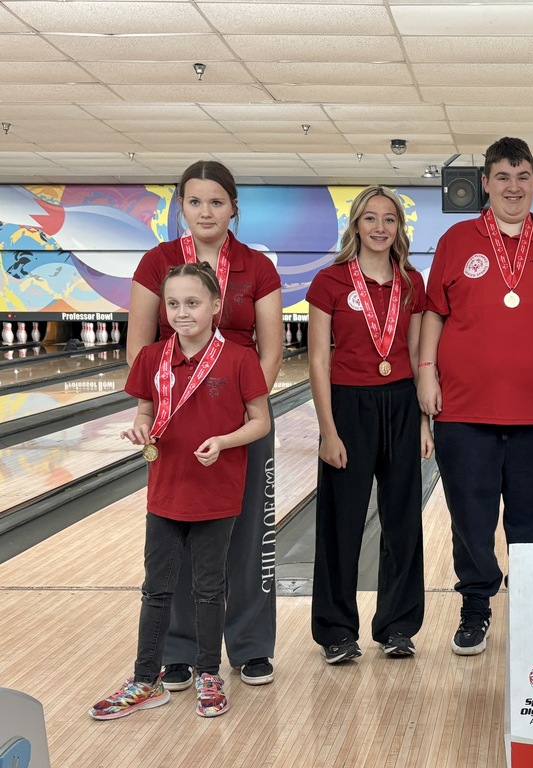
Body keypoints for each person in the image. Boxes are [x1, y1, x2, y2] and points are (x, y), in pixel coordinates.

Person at [418, 137, 533, 656]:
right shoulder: (456, 240)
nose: (514, 187)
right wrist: (426, 372)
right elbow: (435, 313)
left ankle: (530, 606)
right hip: (465, 410)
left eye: (523, 176)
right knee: (471, 518)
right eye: (503, 177)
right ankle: (476, 606)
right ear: (485, 183)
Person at [90, 262, 271, 720]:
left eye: (192, 303)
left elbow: (261, 421)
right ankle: (144, 679)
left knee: (209, 589)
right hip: (166, 493)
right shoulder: (152, 358)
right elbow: (145, 413)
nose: (182, 312)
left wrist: (225, 442)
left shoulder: (239, 358)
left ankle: (209, 675)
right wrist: (139, 430)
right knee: (157, 589)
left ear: (215, 306)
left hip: (217, 493)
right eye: (173, 304)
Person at [127, 161, 283, 689]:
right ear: (182, 208)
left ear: (233, 206)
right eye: (195, 202)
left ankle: (250, 647)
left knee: (248, 538)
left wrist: (244, 413)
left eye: (216, 201)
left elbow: (271, 348)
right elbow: (141, 346)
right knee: (180, 537)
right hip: (175, 417)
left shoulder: (256, 266)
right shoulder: (159, 261)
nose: (206, 211)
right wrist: (151, 410)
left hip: (239, 416)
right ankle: (180, 652)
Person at [308, 185, 432, 663]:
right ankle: (337, 631)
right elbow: (319, 361)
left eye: (389, 219)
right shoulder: (331, 282)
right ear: (355, 224)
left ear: (399, 228)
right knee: (341, 524)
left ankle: (398, 626)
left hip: (401, 403)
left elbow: (419, 355)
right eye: (370, 218)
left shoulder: (411, 282)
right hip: (348, 407)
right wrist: (329, 431)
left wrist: (423, 422)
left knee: (403, 521)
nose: (380, 228)